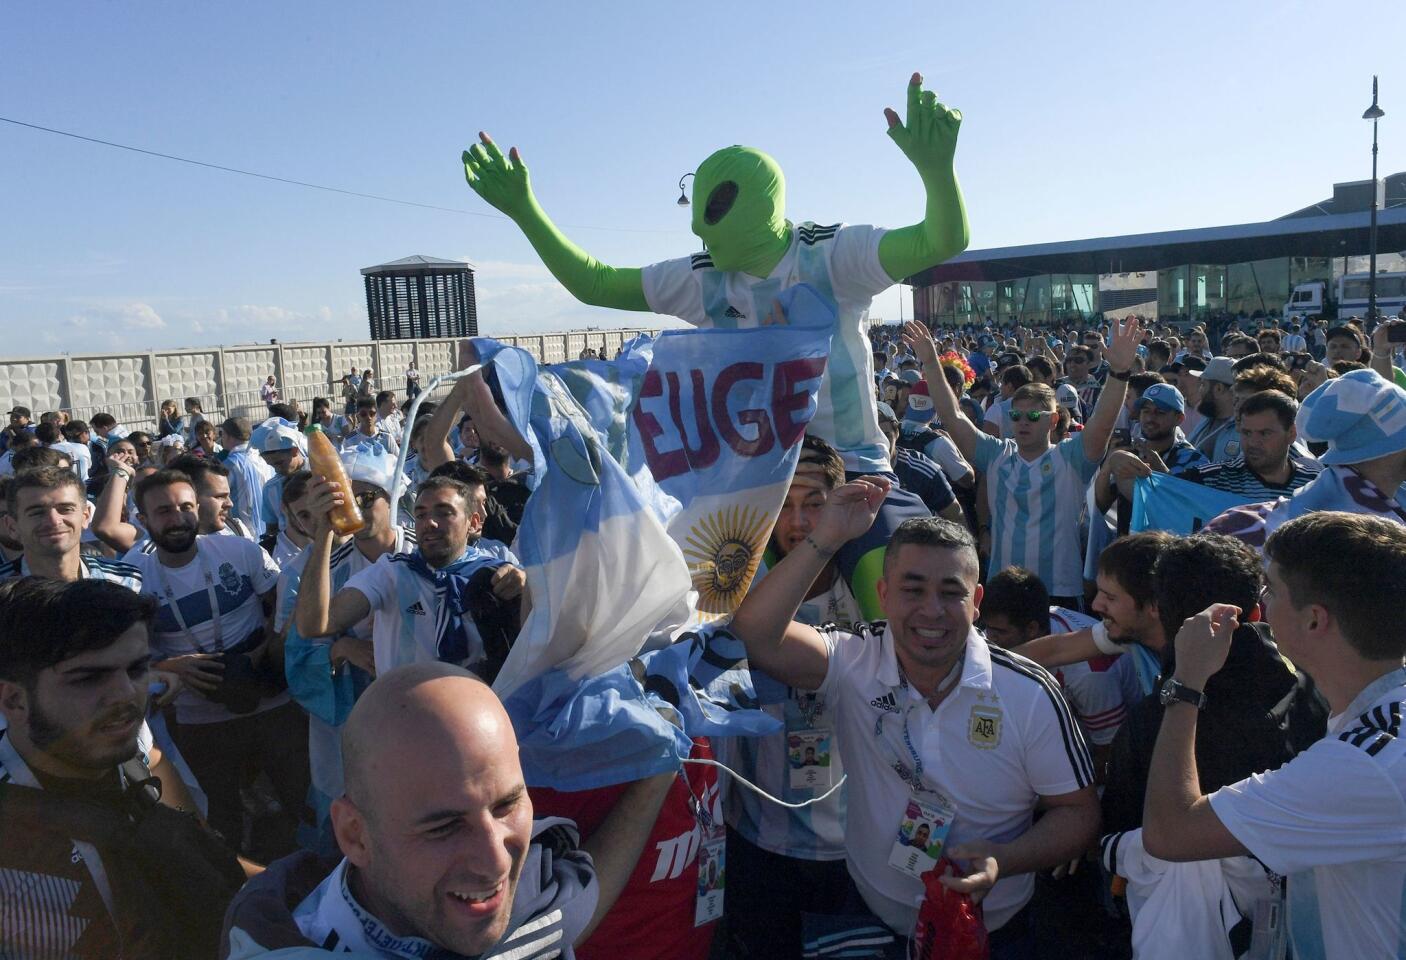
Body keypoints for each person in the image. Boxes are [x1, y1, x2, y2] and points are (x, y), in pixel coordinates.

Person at [463, 72, 966, 479]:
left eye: (717, 206)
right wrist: (525, 210)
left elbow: (940, 241)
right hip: (749, 484)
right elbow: (595, 283)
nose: (699, 226)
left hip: (854, 472)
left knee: (899, 587)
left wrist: (937, 171)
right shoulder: (703, 279)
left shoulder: (833, 255)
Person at [730, 492, 1099, 955]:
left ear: (977, 600)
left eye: (951, 592)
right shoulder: (853, 659)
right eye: (912, 589)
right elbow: (758, 633)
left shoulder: (1029, 692)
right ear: (883, 594)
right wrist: (826, 537)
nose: (931, 610)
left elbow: (1078, 812)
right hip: (872, 915)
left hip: (994, 929)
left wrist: (1003, 860)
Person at [221, 662, 677, 959]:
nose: (497, 859)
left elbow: (573, 902)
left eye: (506, 804)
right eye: (443, 827)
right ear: (355, 836)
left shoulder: (537, 892)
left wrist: (658, 776)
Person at [1143, 512, 1406, 959]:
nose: (1260, 604)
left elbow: (1170, 832)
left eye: (1272, 589)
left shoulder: (1362, 765)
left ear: (1314, 621)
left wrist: (1186, 681)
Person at [0, 577, 246, 960]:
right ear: (14, 700)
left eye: (135, 670)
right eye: (88, 678)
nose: (125, 696)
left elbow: (200, 846)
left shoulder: (129, 743)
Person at [713, 436, 859, 960]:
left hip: (853, 848)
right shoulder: (736, 598)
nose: (797, 522)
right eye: (783, 506)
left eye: (815, 505)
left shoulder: (873, 591)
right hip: (759, 840)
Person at [128, 469, 310, 853]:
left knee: (305, 800)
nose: (177, 519)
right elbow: (127, 658)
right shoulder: (133, 577)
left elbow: (283, 607)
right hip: (201, 719)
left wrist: (265, 650)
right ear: (142, 520)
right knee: (219, 818)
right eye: (163, 511)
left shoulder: (239, 551)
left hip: (273, 703)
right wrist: (170, 668)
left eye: (186, 506)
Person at [912, 316, 1139, 609]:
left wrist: (1120, 373)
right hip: (1003, 588)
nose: (1022, 422)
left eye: (1033, 417)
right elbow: (954, 418)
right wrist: (931, 363)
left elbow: (1103, 422)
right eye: (1016, 416)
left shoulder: (1070, 458)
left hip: (1059, 593)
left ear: (1054, 420)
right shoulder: (996, 453)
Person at [278, 445, 417, 853]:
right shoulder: (325, 570)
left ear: (393, 498)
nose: (357, 507)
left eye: (369, 496)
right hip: (351, 724)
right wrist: (339, 649)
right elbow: (298, 653)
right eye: (345, 497)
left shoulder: (429, 557)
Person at [294, 475, 525, 679]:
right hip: (404, 716)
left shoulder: (496, 575)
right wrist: (324, 531)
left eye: (444, 513)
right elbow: (315, 625)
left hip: (478, 717)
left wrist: (527, 587)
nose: (430, 523)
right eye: (421, 514)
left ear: (473, 522)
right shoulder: (391, 572)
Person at [1185, 390, 1322, 500]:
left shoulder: (1315, 486)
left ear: (1291, 434)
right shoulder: (1210, 480)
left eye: (1265, 433)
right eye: (1247, 433)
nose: (1253, 442)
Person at [251, 417, 307, 543]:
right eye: (272, 466)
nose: (276, 470)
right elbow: (271, 529)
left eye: (279, 463)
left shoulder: (320, 472)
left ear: (294, 451)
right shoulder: (271, 489)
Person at [221, 417, 276, 537]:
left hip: (243, 533)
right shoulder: (263, 458)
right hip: (269, 530)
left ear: (228, 436)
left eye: (222, 433)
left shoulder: (231, 464)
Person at [1187, 357, 1240, 463]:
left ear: (1218, 388)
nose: (1199, 390)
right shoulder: (1207, 419)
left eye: (1203, 384)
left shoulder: (1242, 431)